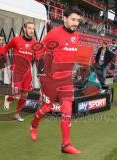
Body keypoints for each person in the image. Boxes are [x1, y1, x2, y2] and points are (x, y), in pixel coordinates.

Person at [30, 7, 82, 154]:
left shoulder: (76, 36)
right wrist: (41, 75)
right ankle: (34, 125)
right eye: (73, 19)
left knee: (67, 110)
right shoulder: (53, 34)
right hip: (51, 80)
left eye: (78, 20)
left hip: (66, 80)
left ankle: (65, 145)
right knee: (47, 107)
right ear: (64, 18)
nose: (75, 23)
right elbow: (39, 51)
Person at [4, 22, 37, 122]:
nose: (32, 30)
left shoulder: (35, 43)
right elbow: (5, 49)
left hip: (27, 72)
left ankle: (17, 114)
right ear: (24, 29)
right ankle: (8, 99)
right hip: (17, 71)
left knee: (25, 94)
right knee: (17, 94)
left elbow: (36, 57)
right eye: (29, 28)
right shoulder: (16, 40)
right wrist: (8, 61)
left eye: (33, 29)